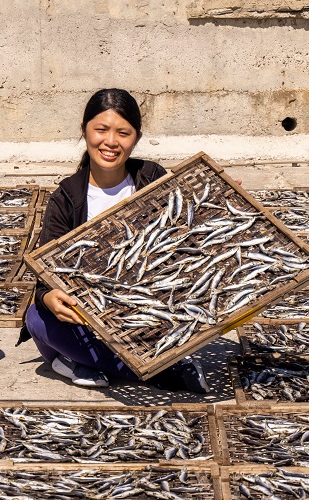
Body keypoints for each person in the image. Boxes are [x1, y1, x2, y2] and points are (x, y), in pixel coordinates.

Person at [25, 89, 207, 392]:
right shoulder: (67, 197)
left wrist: (208, 205)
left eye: (123, 133)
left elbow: (184, 236)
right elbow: (45, 272)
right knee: (37, 319)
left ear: (135, 138)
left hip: (146, 310)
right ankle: (159, 372)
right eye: (101, 130)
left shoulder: (151, 177)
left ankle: (80, 362)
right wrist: (49, 298)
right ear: (84, 131)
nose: (111, 142)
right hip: (90, 316)